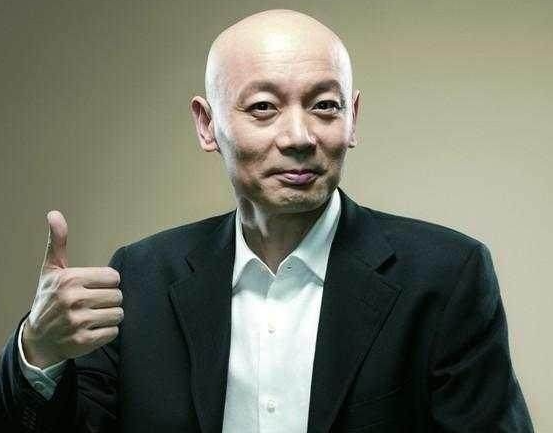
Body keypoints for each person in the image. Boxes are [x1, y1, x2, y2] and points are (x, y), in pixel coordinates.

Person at [0, 8, 533, 433]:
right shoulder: (141, 277)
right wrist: (39, 351)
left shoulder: (446, 276)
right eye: (263, 107)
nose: (299, 136)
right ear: (207, 125)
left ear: (352, 119)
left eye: (325, 105)